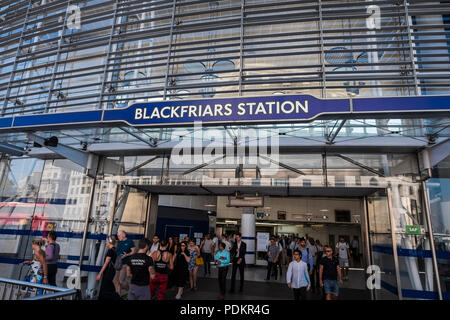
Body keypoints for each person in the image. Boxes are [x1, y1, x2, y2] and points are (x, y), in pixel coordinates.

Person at [96, 236, 121, 300]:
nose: (106, 243)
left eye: (107, 241)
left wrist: (100, 273)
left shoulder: (110, 251)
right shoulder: (114, 250)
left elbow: (106, 263)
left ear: (110, 242)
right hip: (111, 271)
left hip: (108, 271)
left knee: (105, 288)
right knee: (109, 287)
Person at [114, 230, 136, 296]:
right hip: (117, 263)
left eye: (119, 235)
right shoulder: (118, 242)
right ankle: (118, 295)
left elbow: (133, 251)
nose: (118, 237)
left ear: (124, 235)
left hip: (125, 263)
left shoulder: (129, 242)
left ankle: (128, 289)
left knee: (121, 281)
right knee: (115, 281)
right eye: (117, 236)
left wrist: (127, 255)